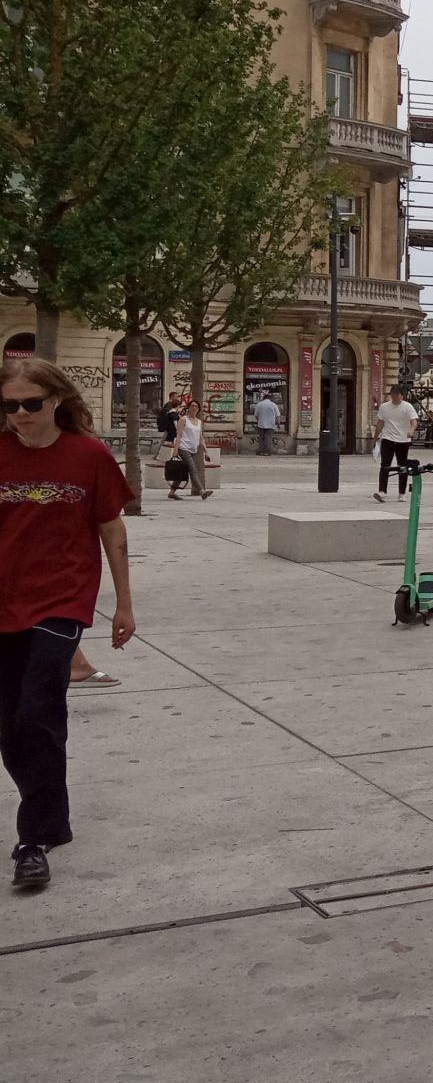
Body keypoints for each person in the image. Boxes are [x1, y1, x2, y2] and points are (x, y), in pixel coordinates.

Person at [1, 358, 136, 889]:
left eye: (31, 404)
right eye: (9, 405)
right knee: (12, 724)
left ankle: (32, 839)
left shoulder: (89, 456)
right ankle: (52, 820)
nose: (20, 415)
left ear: (56, 400)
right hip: (4, 600)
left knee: (37, 708)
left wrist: (123, 604)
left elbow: (112, 529)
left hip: (62, 600)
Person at [373, 386, 419, 504]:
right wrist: (375, 438)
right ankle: (382, 491)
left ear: (402, 396)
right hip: (387, 439)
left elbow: (413, 420)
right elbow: (380, 422)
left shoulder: (407, 407)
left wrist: (412, 430)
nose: (395, 397)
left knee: (402, 466)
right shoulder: (384, 407)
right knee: (385, 465)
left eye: (397, 394)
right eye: (393, 394)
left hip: (403, 440)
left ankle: (402, 493)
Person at [168, 397, 210, 500]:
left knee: (182, 471)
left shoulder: (199, 422)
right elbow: (179, 435)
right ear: (188, 408)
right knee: (193, 469)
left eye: (196, 406)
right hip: (183, 448)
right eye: (192, 406)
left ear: (198, 409)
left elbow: (200, 438)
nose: (194, 408)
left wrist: (206, 452)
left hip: (193, 449)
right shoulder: (183, 419)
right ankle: (202, 491)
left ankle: (172, 493)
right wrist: (175, 450)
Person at [252, 391, 280, 457]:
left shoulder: (259, 404)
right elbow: (278, 416)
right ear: (270, 398)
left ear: (263, 398)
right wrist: (278, 423)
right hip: (270, 424)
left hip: (261, 424)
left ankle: (261, 451)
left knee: (261, 438)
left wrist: (259, 420)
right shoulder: (273, 405)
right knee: (268, 438)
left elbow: (256, 415)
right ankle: (267, 452)